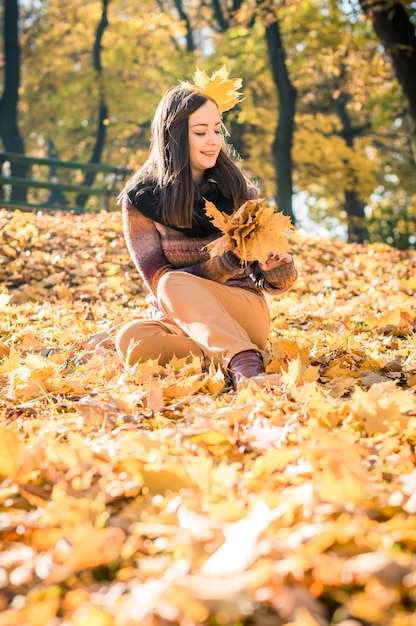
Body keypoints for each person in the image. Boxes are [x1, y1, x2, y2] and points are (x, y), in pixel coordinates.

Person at [115, 69, 298, 389]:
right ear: (173, 136)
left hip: (242, 309)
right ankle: (238, 356)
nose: (213, 140)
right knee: (130, 339)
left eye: (217, 129)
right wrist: (221, 264)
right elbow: (155, 281)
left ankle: (245, 364)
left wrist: (278, 270)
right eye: (201, 132)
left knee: (174, 283)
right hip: (184, 320)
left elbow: (264, 279)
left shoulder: (239, 191)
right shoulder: (141, 201)